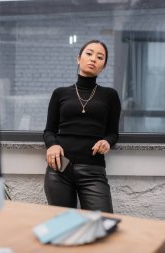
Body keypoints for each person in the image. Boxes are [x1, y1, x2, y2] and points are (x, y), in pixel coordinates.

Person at [43, 39, 121, 213]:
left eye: (100, 57)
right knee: (63, 225)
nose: (93, 59)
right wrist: (52, 144)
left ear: (103, 66)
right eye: (89, 53)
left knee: (103, 222)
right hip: (60, 166)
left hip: (93, 169)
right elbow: (49, 130)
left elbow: (113, 133)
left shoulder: (110, 95)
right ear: (79, 59)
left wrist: (107, 142)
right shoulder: (60, 93)